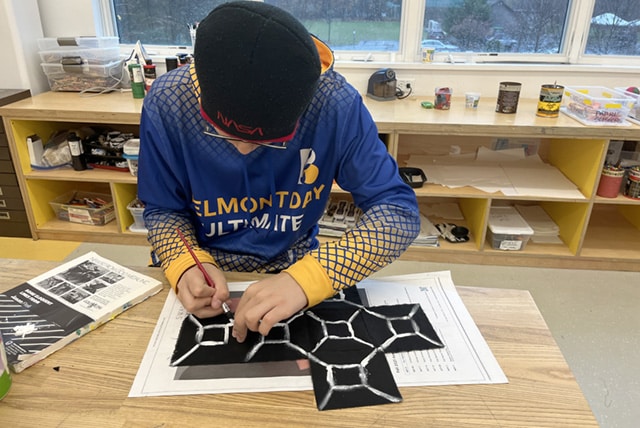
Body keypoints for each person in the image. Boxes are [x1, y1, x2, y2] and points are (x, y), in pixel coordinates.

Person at [137, 1, 420, 343]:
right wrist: (184, 263)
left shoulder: (334, 103)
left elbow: (398, 212)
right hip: (207, 269)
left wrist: (311, 277)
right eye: (225, 135)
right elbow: (163, 210)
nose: (243, 151)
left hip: (294, 266)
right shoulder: (168, 102)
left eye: (268, 142)